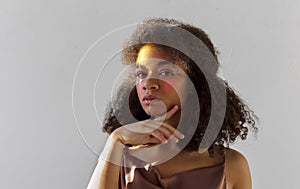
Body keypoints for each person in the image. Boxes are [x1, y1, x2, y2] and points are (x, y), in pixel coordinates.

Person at [87, 18, 258, 189]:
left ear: (195, 84)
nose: (148, 83)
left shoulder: (231, 166)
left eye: (166, 72)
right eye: (141, 74)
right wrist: (115, 140)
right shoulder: (119, 159)